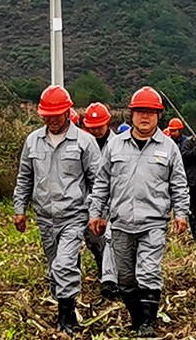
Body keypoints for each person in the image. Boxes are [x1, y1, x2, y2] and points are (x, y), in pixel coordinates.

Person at [88, 86, 189, 337]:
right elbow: (102, 182)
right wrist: (96, 213)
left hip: (153, 222)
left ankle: (148, 323)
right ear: (131, 114)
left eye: (150, 112)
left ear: (159, 116)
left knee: (148, 272)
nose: (145, 117)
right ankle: (137, 319)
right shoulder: (115, 146)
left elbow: (179, 184)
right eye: (140, 111)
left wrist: (181, 213)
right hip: (121, 222)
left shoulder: (169, 148)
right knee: (125, 278)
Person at [13, 85, 102, 334]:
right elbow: (25, 178)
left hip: (74, 215)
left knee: (63, 265)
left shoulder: (85, 142)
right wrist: (19, 209)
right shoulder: (33, 141)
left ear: (67, 112)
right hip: (45, 217)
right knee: (55, 269)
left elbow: (98, 181)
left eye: (56, 115)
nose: (52, 120)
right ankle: (67, 304)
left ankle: (66, 317)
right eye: (47, 115)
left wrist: (97, 212)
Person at [83, 102, 120, 301]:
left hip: (113, 203)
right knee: (94, 241)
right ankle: (104, 273)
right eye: (92, 127)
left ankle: (112, 280)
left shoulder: (118, 145)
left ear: (108, 123)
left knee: (111, 242)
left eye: (99, 127)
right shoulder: (83, 144)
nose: (96, 131)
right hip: (89, 203)